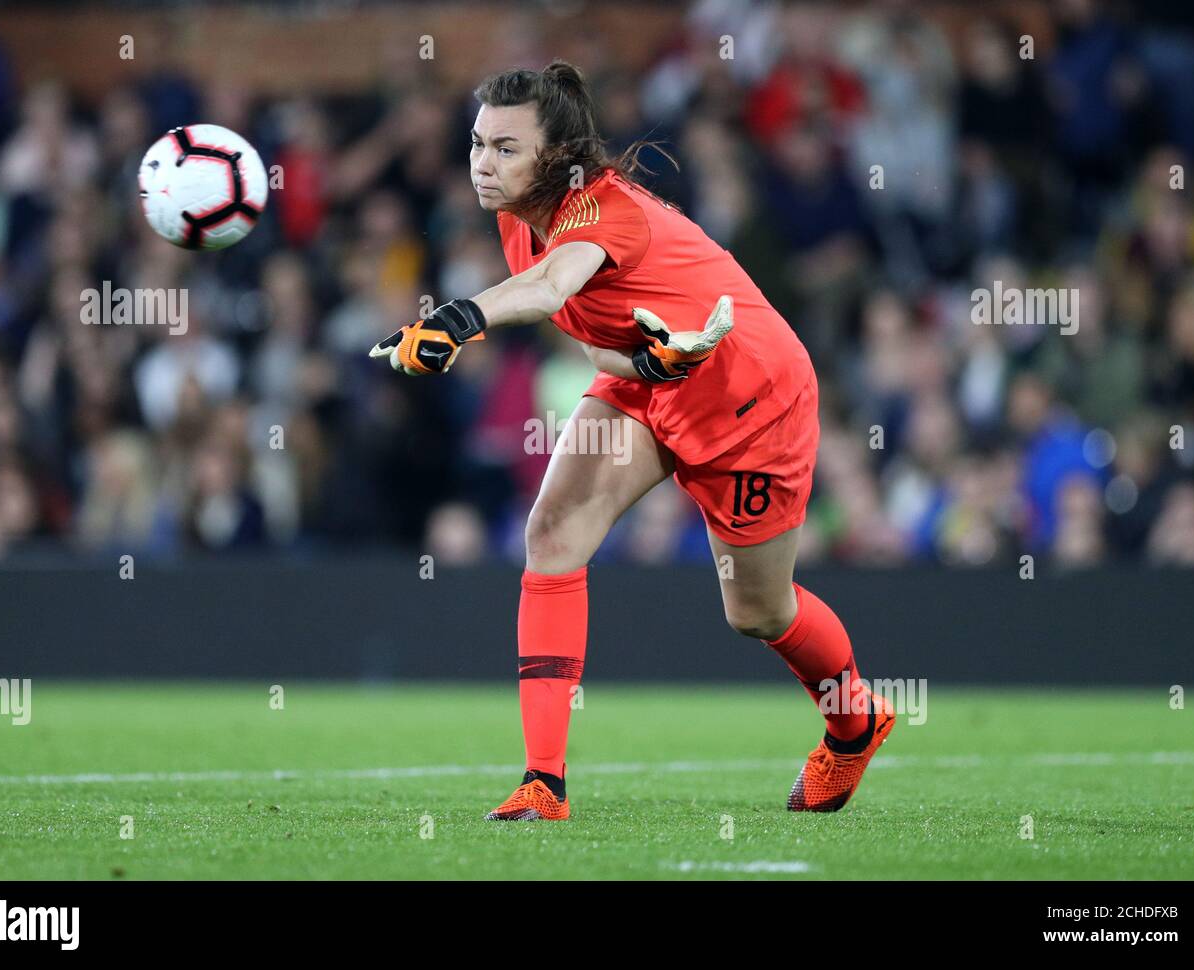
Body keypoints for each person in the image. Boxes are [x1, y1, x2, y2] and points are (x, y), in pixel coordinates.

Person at [370, 61, 894, 820]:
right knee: (551, 534)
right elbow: (595, 345)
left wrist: (460, 319)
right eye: (478, 143)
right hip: (653, 383)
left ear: (557, 156)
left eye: (506, 149)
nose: (483, 163)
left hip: (754, 401)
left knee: (759, 612)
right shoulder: (518, 222)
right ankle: (542, 783)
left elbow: (551, 290)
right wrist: (647, 362)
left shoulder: (605, 210)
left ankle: (854, 724)